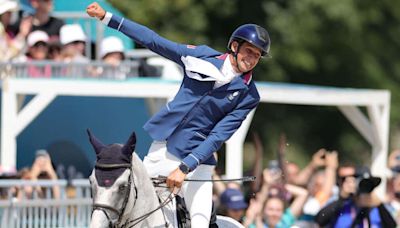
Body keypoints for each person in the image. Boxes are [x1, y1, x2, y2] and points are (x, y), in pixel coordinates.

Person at [86, 2, 270, 227]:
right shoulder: (200, 56)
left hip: (198, 163)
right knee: (131, 212)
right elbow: (154, 41)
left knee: (200, 223)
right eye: (249, 51)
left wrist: (185, 167)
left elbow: (218, 136)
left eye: (257, 56)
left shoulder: (249, 95)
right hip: (161, 149)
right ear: (234, 46)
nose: (251, 59)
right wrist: (109, 18)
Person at [315, 166, 396, 227]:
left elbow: (392, 226)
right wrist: (342, 198)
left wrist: (379, 205)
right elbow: (320, 220)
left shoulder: (376, 208)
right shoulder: (342, 205)